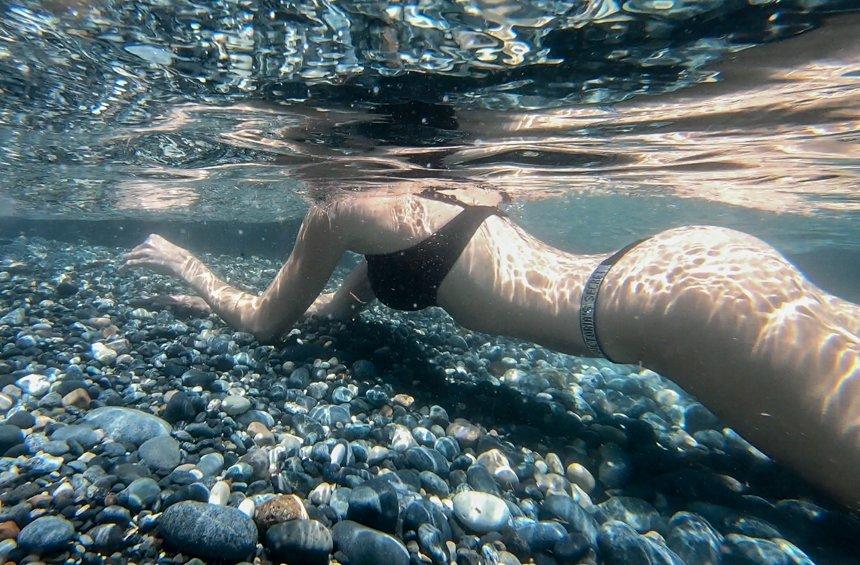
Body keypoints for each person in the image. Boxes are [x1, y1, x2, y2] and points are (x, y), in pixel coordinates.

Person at [124, 185, 860, 509]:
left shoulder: (343, 207)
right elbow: (334, 307)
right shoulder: (434, 196)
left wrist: (192, 267)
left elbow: (264, 323)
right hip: (689, 269)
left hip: (675, 308)